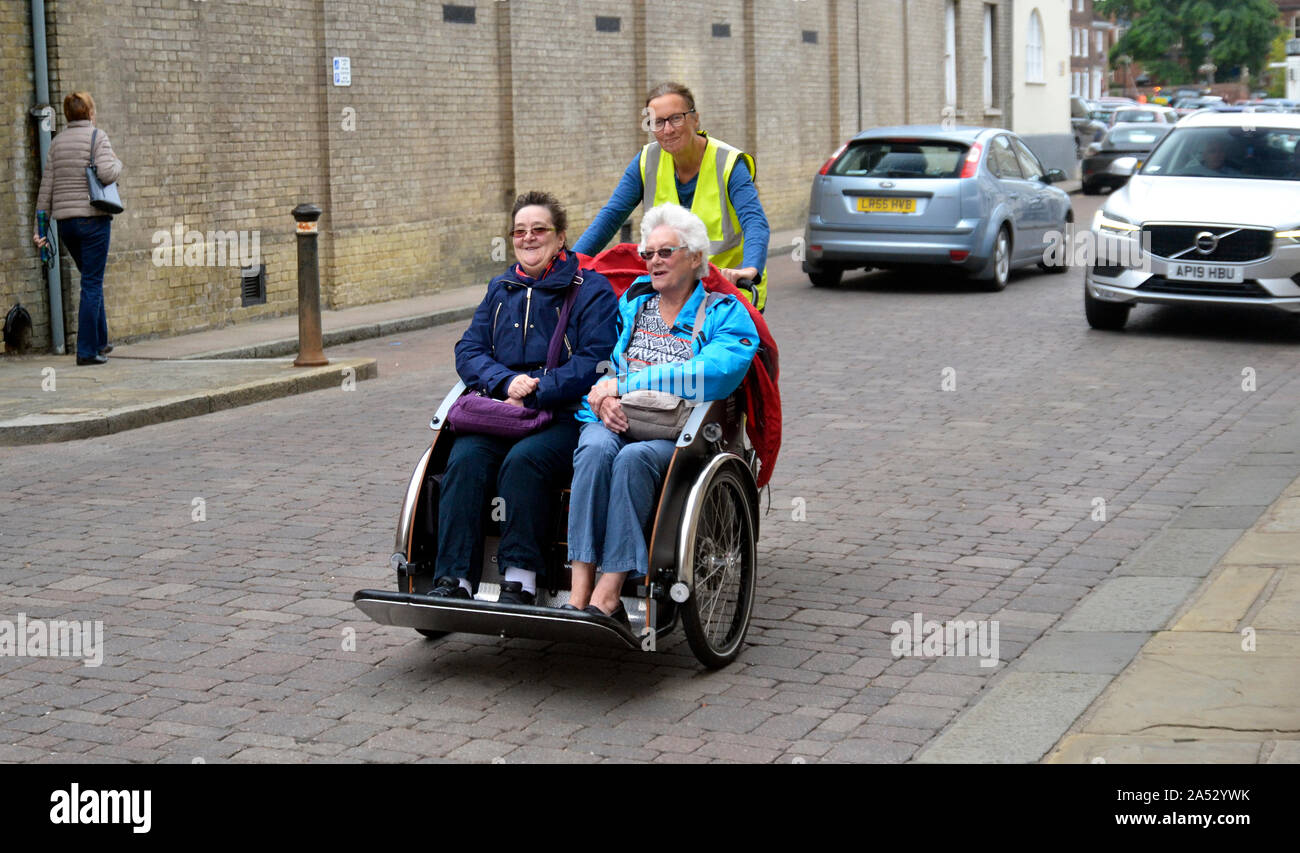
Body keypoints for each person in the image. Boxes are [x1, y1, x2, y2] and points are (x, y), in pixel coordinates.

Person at [567, 204, 759, 625]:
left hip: (679, 430)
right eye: (648, 254)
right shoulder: (633, 305)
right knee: (594, 448)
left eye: (665, 252)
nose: (654, 261)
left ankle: (610, 589)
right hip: (619, 416)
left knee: (633, 460)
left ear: (694, 258)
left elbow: (714, 373)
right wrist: (602, 398)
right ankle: (579, 585)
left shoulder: (725, 312)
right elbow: (604, 364)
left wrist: (629, 385)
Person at [430, 192, 618, 605]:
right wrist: (503, 382)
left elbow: (596, 359)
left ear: (561, 237)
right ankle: (454, 580)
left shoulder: (591, 290)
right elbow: (469, 349)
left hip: (564, 414)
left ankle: (521, 578)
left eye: (539, 230)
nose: (528, 238)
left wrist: (536, 391)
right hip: (502, 411)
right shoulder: (501, 287)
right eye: (519, 231)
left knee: (524, 462)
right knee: (464, 459)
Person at [573, 82, 771, 311]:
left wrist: (750, 269)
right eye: (658, 122)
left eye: (676, 118)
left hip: (728, 290)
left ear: (695, 119)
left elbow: (754, 221)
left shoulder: (728, 163)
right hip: (674, 291)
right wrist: (569, 263)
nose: (667, 130)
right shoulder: (647, 160)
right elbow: (611, 217)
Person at [33, 91, 122, 366]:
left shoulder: (57, 143)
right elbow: (108, 173)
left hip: (66, 225)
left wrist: (40, 227)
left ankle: (100, 341)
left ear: (68, 114)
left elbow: (46, 186)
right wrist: (118, 162)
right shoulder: (98, 137)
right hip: (93, 220)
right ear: (90, 112)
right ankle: (86, 351)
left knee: (90, 279)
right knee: (92, 283)